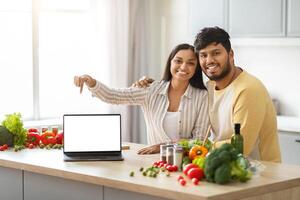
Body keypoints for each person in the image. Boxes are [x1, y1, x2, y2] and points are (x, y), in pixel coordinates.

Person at [134, 27, 281, 162]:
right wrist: (150, 86)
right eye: (203, 55)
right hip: (225, 168)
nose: (209, 60)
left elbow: (241, 147)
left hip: (260, 175)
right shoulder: (210, 87)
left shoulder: (248, 89)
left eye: (216, 53)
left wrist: (181, 145)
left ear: (230, 55)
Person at [74, 43, 210, 154]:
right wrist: (91, 82)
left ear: (196, 68)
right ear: (170, 63)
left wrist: (164, 146)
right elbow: (113, 96)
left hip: (187, 164)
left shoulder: (203, 96)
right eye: (178, 61)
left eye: (191, 63)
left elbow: (199, 141)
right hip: (153, 163)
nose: (183, 67)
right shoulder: (150, 89)